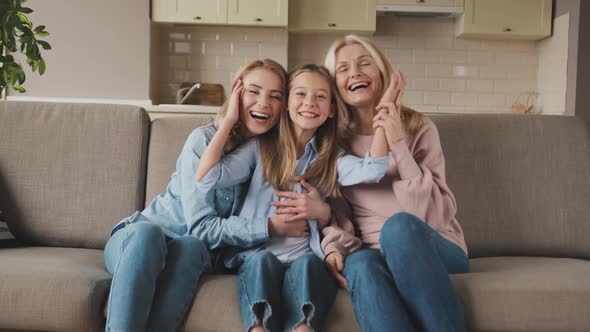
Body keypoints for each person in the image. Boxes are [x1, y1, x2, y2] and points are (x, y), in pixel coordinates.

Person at [103, 59, 306, 332]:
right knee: (149, 234)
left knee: (193, 247)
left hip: (195, 253)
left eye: (275, 96)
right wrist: (229, 121)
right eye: (254, 91)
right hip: (138, 243)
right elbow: (200, 227)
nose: (263, 103)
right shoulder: (202, 141)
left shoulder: (273, 155)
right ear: (237, 93)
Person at [195, 64, 390, 332]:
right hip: (258, 252)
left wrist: (382, 120)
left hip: (303, 255)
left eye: (320, 96)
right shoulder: (259, 149)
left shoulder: (329, 158)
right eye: (300, 94)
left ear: (331, 109)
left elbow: (373, 170)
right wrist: (229, 121)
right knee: (260, 262)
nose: (310, 103)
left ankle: (303, 328)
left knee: (310, 264)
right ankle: (258, 327)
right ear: (286, 103)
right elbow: (207, 177)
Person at [318, 34, 470, 332]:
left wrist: (397, 141)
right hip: (371, 251)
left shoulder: (418, 127)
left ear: (381, 73)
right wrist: (332, 248)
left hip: (436, 245)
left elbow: (439, 214)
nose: (356, 73)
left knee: (398, 228)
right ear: (335, 85)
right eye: (344, 69)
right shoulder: (334, 144)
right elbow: (337, 214)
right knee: (360, 264)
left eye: (365, 64)